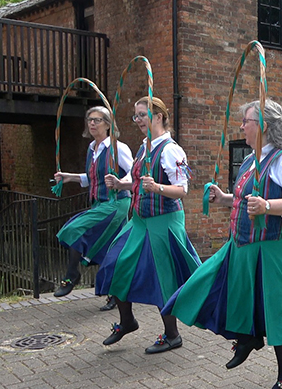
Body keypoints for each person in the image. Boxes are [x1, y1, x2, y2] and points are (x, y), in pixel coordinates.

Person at [164, 99, 282, 389]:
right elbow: (248, 200)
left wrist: (269, 206)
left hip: (280, 246)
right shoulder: (253, 159)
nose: (241, 126)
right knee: (219, 288)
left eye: (246, 121)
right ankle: (249, 337)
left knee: (279, 310)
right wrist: (225, 199)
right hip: (245, 243)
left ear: (263, 126)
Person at [95, 96, 201, 354]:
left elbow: (182, 189)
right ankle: (127, 321)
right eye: (136, 116)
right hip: (140, 220)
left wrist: (157, 187)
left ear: (160, 117)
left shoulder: (171, 149)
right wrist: (121, 184)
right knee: (114, 263)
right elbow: (135, 178)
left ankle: (172, 335)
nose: (139, 120)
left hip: (164, 221)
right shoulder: (144, 147)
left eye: (143, 115)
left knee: (162, 278)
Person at [51, 106, 133, 312]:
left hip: (116, 203)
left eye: (97, 120)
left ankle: (72, 275)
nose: (92, 123)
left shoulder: (117, 148)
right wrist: (69, 177)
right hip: (99, 203)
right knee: (112, 251)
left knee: (73, 229)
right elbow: (92, 178)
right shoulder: (92, 149)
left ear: (108, 124)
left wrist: (120, 182)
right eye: (90, 119)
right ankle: (117, 295)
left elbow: (134, 174)